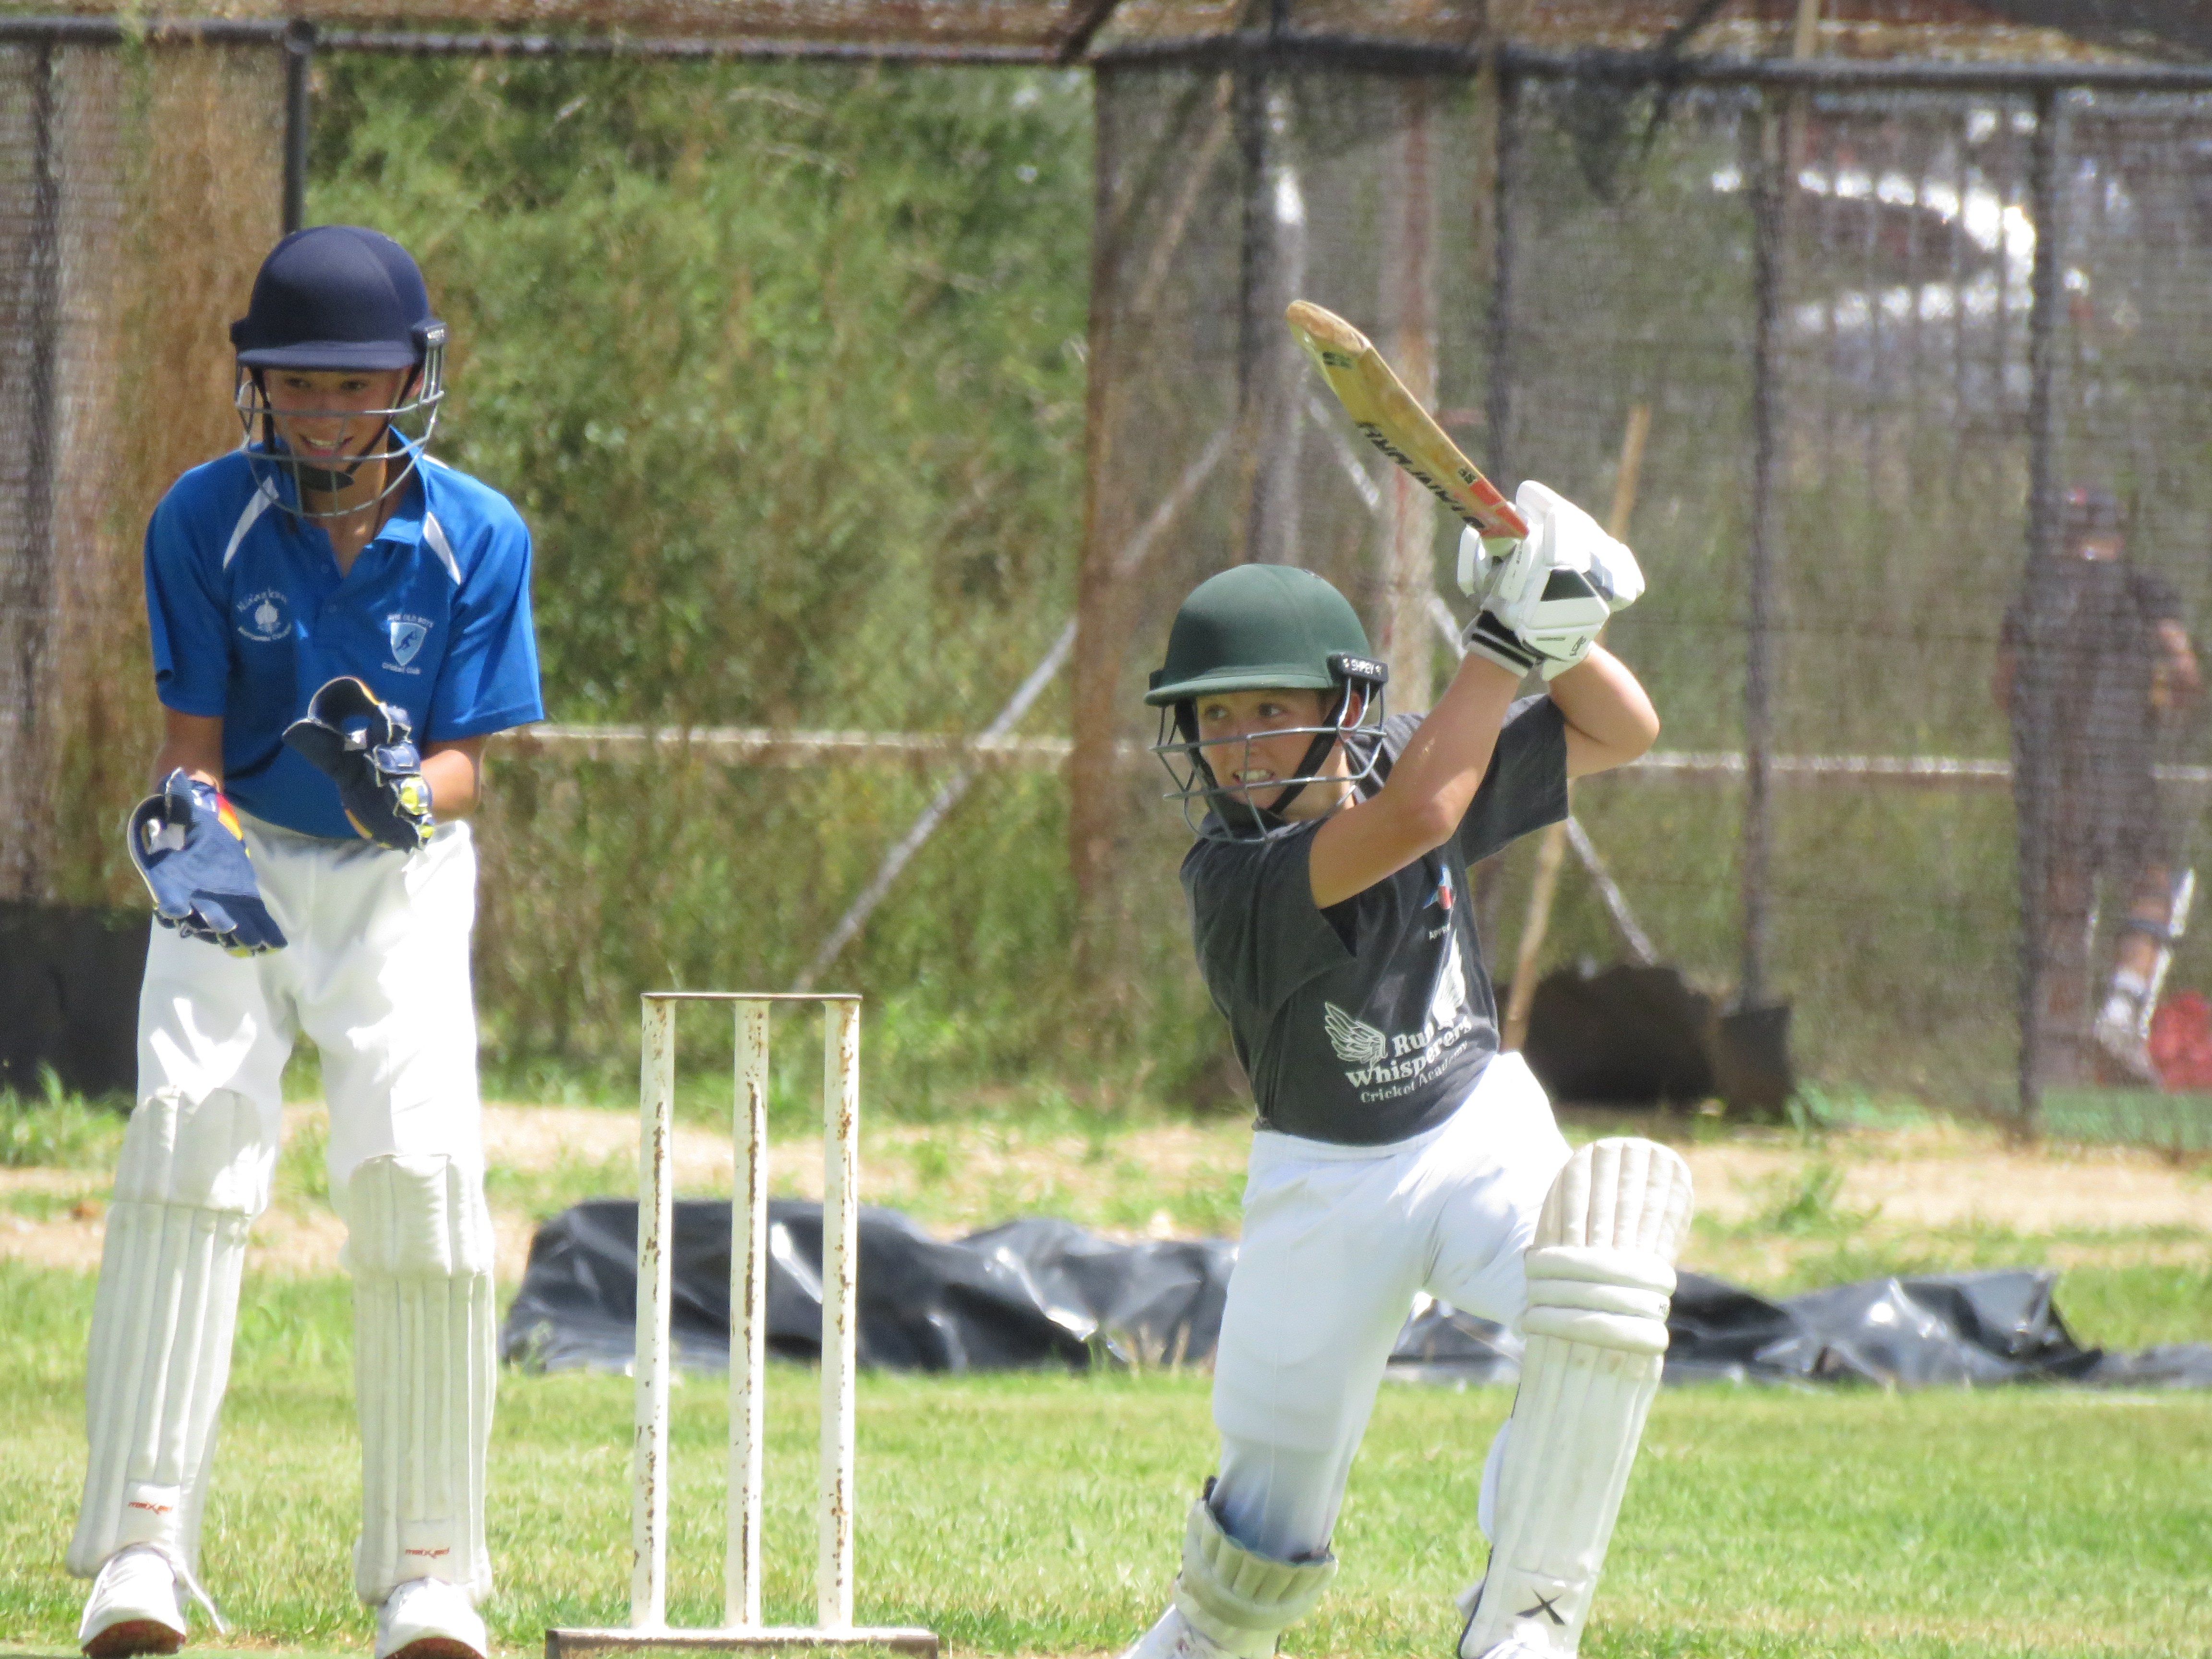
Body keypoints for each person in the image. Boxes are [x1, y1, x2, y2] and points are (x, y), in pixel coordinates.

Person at [71, 225, 542, 1659]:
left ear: (414, 373)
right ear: (258, 384)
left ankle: (428, 1572)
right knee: (189, 1135)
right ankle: (140, 1552)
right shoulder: (199, 520)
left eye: (358, 382)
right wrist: (191, 838)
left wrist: (399, 791)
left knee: (419, 1179)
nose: (330, 412)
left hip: (402, 875)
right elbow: (193, 751)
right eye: (300, 384)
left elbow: (465, 769)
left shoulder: (479, 532)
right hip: (245, 856)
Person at [1121, 482, 1694, 1659]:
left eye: (1268, 708)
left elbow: (1623, 726)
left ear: (1343, 703)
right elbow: (1426, 811)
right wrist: (1499, 639)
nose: (1235, 746)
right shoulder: (1231, 880)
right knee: (1257, 1539)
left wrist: (1549, 615)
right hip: (1323, 1187)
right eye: (1213, 716)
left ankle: (1527, 1616)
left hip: (1473, 1125)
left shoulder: (1403, 751)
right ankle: (1207, 1635)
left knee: (1606, 1286)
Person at [1996, 486, 2200, 1084]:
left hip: (2052, 769)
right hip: (2120, 762)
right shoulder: (2140, 588)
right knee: (2155, 882)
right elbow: (2182, 666)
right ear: (2117, 535)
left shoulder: (2035, 593)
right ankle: (2118, 1012)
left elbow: (2004, 689)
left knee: (2067, 893)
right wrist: (2161, 702)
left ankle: (2055, 1042)